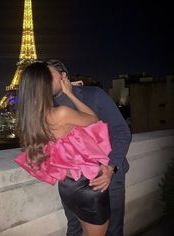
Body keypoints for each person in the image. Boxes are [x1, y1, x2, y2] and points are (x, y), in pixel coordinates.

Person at [15, 61, 112, 236]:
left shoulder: (30, 120)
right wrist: (69, 93)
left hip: (68, 187)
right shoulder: (61, 113)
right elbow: (94, 119)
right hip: (89, 185)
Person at [46, 59, 132, 236]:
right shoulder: (47, 108)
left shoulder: (94, 94)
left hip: (108, 176)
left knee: (113, 231)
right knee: (75, 229)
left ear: (64, 77)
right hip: (73, 184)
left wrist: (110, 168)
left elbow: (121, 132)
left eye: (49, 75)